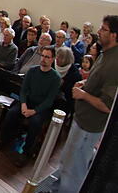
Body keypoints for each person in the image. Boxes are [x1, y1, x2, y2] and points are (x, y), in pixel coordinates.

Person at [50, 15, 118, 193]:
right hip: (81, 118)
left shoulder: (115, 63)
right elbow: (97, 82)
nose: (99, 32)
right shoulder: (105, 53)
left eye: (103, 29)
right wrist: (84, 84)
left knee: (76, 167)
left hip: (90, 125)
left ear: (114, 35)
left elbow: (107, 106)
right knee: (67, 159)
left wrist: (83, 94)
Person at [0, 46, 61, 166]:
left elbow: (49, 101)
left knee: (35, 123)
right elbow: (23, 90)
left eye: (47, 57)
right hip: (26, 102)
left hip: (40, 107)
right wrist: (23, 105)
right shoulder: (32, 71)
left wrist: (33, 111)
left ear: (53, 59)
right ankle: (3, 140)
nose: (43, 59)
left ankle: (26, 152)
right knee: (11, 113)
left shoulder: (55, 78)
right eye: (42, 56)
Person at [54, 46, 82, 118]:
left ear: (66, 59)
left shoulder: (74, 74)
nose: (56, 58)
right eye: (57, 55)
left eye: (60, 57)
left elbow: (70, 95)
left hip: (62, 101)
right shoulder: (52, 65)